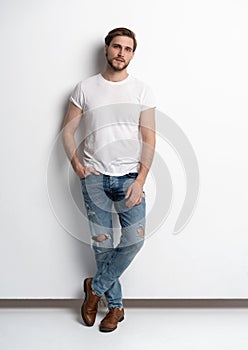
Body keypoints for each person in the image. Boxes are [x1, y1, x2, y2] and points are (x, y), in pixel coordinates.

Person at [62, 27, 156, 332]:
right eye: (117, 47)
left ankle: (95, 288)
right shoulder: (85, 88)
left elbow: (149, 137)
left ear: (133, 54)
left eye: (128, 49)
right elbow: (67, 130)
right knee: (102, 246)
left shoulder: (142, 90)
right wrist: (76, 163)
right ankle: (115, 308)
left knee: (134, 240)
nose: (122, 54)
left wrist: (141, 179)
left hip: (130, 177)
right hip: (94, 177)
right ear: (106, 49)